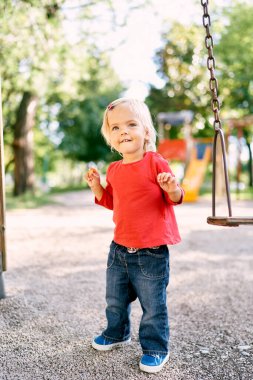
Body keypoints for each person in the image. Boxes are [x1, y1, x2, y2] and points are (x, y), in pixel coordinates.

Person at [85, 97, 184, 374]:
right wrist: (97, 187)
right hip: (119, 248)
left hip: (151, 251)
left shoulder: (155, 162)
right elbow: (112, 202)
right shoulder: (114, 169)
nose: (123, 131)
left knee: (153, 305)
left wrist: (171, 187)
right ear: (111, 139)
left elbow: (176, 198)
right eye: (115, 128)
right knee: (114, 299)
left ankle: (155, 348)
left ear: (146, 133)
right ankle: (117, 333)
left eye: (131, 124)